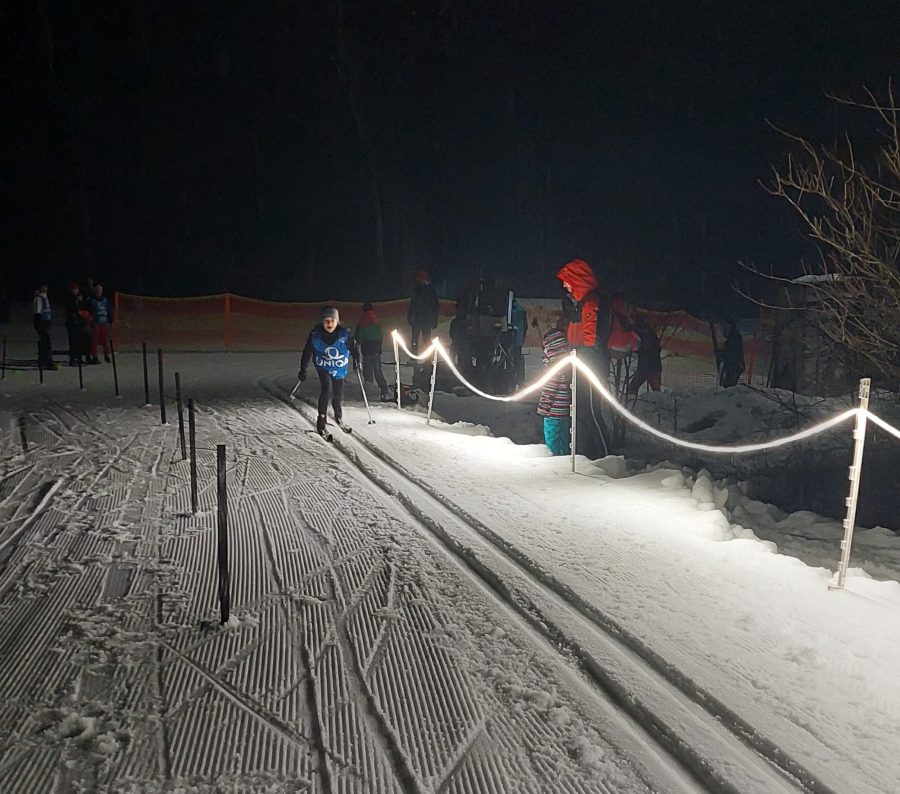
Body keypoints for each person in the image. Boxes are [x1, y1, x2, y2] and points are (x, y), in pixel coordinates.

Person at [556, 258, 611, 459]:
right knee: (582, 412)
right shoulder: (582, 303)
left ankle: (604, 458)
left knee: (590, 413)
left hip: (589, 366)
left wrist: (578, 356)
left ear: (577, 280)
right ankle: (588, 456)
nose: (564, 286)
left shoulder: (591, 303)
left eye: (567, 281)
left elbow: (591, 339)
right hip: (582, 363)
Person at [299, 306, 361, 435]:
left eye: (332, 320)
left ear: (337, 321)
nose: (329, 324)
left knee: (338, 394)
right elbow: (307, 351)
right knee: (326, 388)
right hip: (323, 366)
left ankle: (338, 416)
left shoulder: (345, 334)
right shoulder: (316, 334)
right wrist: (303, 369)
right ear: (322, 322)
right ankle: (321, 420)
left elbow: (354, 348)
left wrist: (357, 361)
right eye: (326, 321)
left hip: (339, 368)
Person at [537, 317, 572, 455]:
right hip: (564, 411)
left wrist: (543, 408)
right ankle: (564, 456)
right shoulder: (568, 368)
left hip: (552, 412)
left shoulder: (552, 370)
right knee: (564, 437)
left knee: (551, 437)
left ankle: (553, 457)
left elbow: (549, 390)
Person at [355, 302, 389, 400]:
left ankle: (368, 390)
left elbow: (358, 336)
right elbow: (380, 334)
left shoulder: (362, 322)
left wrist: (358, 342)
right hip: (376, 348)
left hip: (366, 348)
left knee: (367, 369)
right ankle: (383, 388)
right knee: (378, 369)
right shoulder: (377, 320)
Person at [628, 314, 662, 395]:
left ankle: (632, 401)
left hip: (647, 365)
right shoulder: (648, 331)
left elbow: (645, 348)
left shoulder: (643, 332)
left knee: (633, 388)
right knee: (656, 391)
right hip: (654, 365)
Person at [407, 270, 439, 354]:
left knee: (426, 339)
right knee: (415, 339)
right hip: (417, 318)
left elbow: (435, 305)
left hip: (426, 319)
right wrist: (410, 316)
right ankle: (414, 356)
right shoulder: (416, 289)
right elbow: (412, 304)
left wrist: (434, 319)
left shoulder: (430, 290)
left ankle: (428, 357)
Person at [64, 281, 90, 366]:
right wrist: (76, 302)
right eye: (74, 289)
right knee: (73, 342)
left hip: (79, 323)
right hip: (72, 323)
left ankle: (79, 358)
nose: (76, 291)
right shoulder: (69, 298)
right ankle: (73, 359)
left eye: (77, 289)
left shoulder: (79, 298)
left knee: (80, 342)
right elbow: (71, 309)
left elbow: (83, 308)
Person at [87, 283, 113, 363]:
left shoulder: (105, 300)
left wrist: (111, 320)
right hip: (96, 323)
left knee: (105, 340)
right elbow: (88, 310)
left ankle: (107, 355)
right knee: (95, 340)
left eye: (100, 290)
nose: (99, 292)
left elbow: (108, 310)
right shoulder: (91, 301)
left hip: (105, 322)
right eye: (97, 290)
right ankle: (95, 356)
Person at [32, 284, 56, 370]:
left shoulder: (45, 297)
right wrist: (40, 324)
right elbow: (37, 312)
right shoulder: (39, 298)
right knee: (45, 342)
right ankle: (45, 361)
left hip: (46, 321)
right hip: (41, 322)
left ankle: (45, 360)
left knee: (46, 342)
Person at [721, 319, 745, 387]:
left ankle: (729, 385)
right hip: (732, 364)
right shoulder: (733, 336)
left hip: (733, 365)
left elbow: (733, 352)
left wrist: (722, 354)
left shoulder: (734, 337)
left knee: (730, 383)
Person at [510, 298, 528, 386]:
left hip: (512, 339)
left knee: (511, 359)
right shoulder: (521, 309)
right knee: (517, 359)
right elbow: (525, 327)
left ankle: (513, 380)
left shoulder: (512, 310)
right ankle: (520, 380)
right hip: (518, 340)